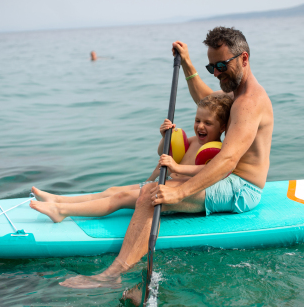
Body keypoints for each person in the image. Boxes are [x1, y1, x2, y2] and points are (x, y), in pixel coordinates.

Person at [60, 26, 274, 289]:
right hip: (228, 180)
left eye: (221, 65)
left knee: (153, 195)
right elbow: (208, 99)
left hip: (241, 188)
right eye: (212, 67)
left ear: (244, 59)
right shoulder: (236, 93)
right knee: (150, 190)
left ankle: (112, 275)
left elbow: (227, 161)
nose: (216, 72)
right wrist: (187, 64)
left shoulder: (248, 103)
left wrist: (179, 194)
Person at [29, 94, 232, 222]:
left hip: (178, 195)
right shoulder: (193, 140)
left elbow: (209, 172)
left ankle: (61, 211)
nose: (200, 126)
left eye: (208, 123)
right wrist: (165, 138)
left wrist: (177, 167)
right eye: (197, 120)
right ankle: (57, 198)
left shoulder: (218, 151)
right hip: (163, 183)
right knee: (112, 190)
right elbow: (163, 153)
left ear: (222, 128)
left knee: (119, 198)